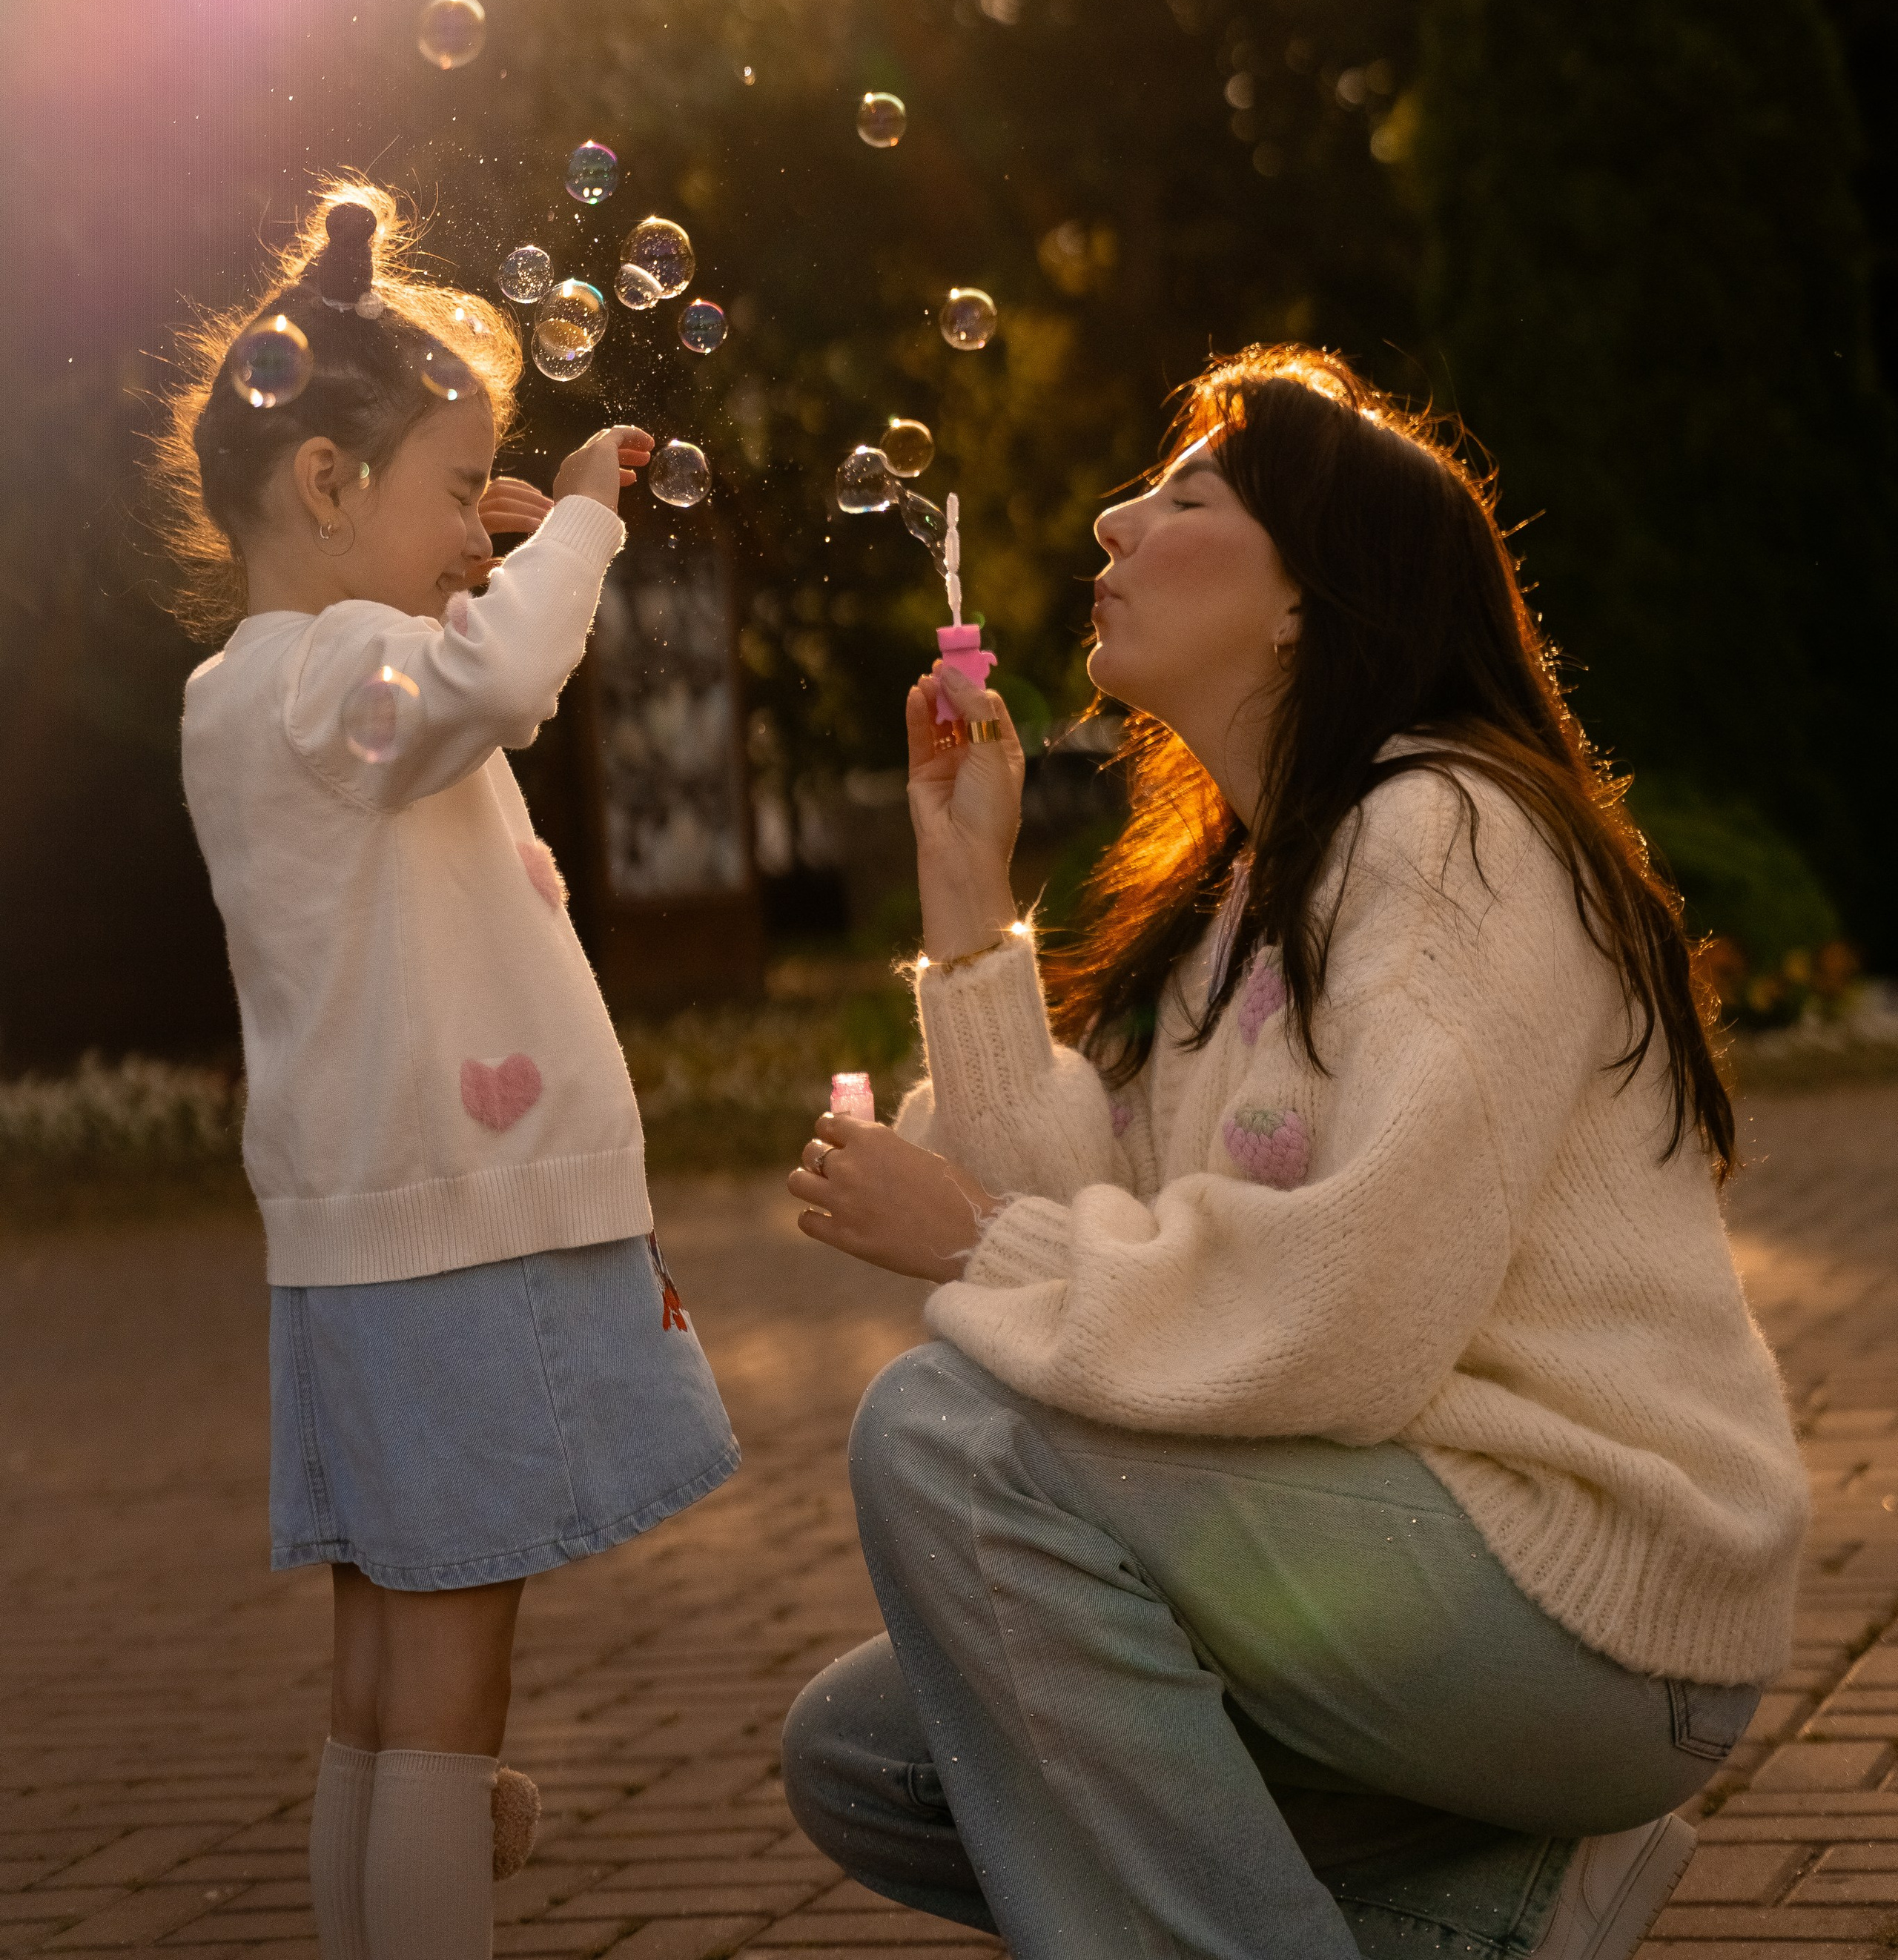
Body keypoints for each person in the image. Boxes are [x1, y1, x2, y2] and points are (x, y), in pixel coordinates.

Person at [781, 344, 1808, 1960]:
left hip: (1592, 1596)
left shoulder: (1450, 834)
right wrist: (965, 893)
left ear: (1308, 599)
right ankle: (1499, 1901)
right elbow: (1093, 1220)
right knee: (868, 1753)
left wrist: (977, 1247)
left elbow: (1353, 1308)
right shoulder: (1235, 901)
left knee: (954, 1442)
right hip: (1402, 1559)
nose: (1111, 521)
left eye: (1182, 493)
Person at [153, 188, 738, 1960]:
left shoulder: (252, 693)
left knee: (378, 1670)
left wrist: (481, 544)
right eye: (439, 489)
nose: (465, 538)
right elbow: (495, 674)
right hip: (454, 1233)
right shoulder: (344, 679)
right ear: (327, 486)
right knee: (449, 1694)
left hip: (356, 1245)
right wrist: (576, 525)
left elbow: (470, 678)